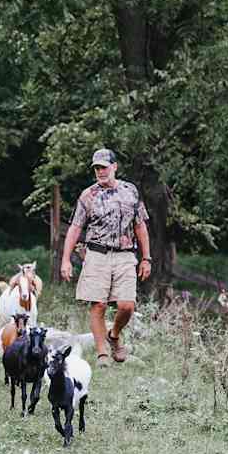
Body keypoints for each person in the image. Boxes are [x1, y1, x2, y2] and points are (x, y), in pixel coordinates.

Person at [59, 148, 152, 366]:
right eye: (97, 168)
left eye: (104, 167)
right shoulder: (88, 195)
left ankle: (114, 336)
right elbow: (74, 228)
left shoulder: (130, 191)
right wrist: (65, 259)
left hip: (125, 255)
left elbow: (140, 226)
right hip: (97, 254)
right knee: (98, 305)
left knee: (127, 305)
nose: (100, 172)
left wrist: (146, 258)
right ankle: (102, 354)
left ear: (115, 167)